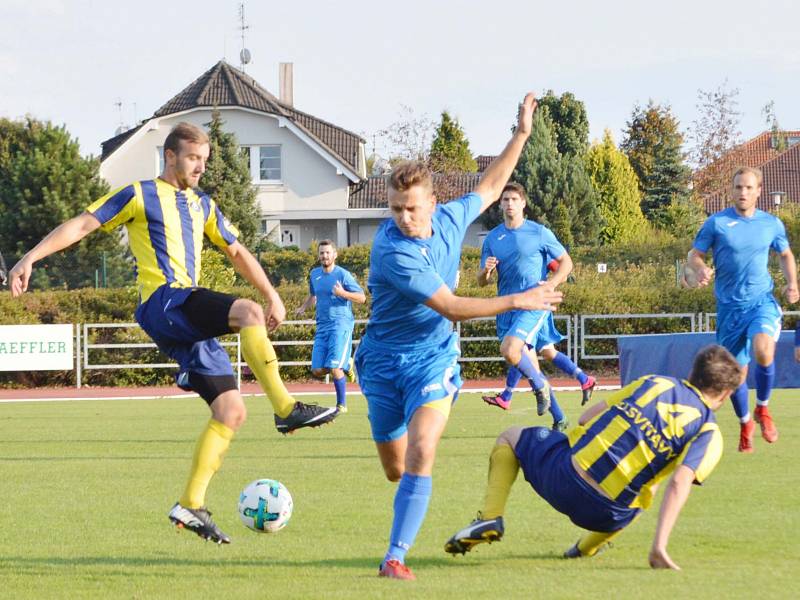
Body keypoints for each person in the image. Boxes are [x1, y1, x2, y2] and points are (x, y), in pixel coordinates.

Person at [8, 122, 338, 545]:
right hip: (166, 301)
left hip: (186, 316)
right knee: (247, 313)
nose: (200, 167)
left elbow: (236, 251)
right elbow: (84, 224)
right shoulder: (139, 193)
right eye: (193, 159)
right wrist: (30, 257)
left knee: (231, 412)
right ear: (170, 156)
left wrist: (273, 292)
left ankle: (190, 504)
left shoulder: (203, 204)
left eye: (204, 160)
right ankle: (286, 408)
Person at [355, 93, 564, 581]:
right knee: (396, 467)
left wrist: (523, 134)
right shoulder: (391, 252)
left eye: (411, 208)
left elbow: (490, 186)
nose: (403, 218)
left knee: (423, 449)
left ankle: (395, 557)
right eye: (395, 209)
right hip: (383, 363)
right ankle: (401, 524)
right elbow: (449, 305)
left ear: (432, 202)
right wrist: (519, 300)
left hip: (432, 360)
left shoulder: (449, 219)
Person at [445, 344, 741, 570]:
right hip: (606, 516)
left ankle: (491, 517)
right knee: (644, 490)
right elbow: (679, 483)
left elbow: (587, 417)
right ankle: (584, 550)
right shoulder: (709, 431)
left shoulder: (654, 383)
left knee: (510, 436)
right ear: (726, 395)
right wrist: (659, 546)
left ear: (692, 373)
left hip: (563, 479)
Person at [686, 166, 798, 453]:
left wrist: (792, 283)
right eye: (738, 187)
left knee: (764, 349)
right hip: (729, 309)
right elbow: (694, 254)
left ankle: (763, 409)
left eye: (749, 188)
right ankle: (746, 422)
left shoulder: (771, 223)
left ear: (759, 190)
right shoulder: (717, 223)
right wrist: (699, 269)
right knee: (735, 373)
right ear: (731, 190)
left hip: (761, 301)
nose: (743, 192)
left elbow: (785, 254)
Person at [479, 189, 595, 429]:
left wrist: (552, 283)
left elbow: (567, 262)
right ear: (500, 205)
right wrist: (486, 272)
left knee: (512, 350)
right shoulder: (492, 238)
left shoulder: (539, 232)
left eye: (514, 199)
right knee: (528, 362)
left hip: (535, 302)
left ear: (523, 204)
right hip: (507, 306)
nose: (510, 203)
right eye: (505, 200)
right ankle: (560, 418)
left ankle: (515, 393)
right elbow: (482, 281)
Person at [296, 239, 366, 412]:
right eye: (321, 253)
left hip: (340, 324)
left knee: (334, 368)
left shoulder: (343, 275)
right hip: (322, 326)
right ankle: (347, 364)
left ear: (335, 254)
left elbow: (362, 298)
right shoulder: (314, 274)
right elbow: (314, 295)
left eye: (328, 252)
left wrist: (342, 293)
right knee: (317, 370)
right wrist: (304, 307)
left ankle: (341, 405)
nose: (324, 255)